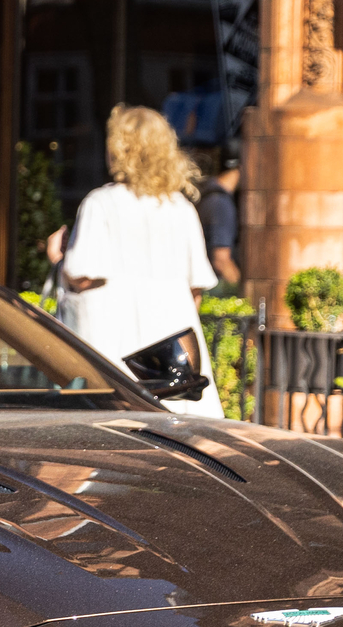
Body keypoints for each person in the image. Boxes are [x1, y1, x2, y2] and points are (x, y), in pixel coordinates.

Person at [57, 105, 221, 418]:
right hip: (173, 354)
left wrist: (58, 259)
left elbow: (81, 276)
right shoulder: (181, 209)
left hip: (118, 346)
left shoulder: (101, 203)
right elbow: (195, 293)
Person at [194, 145, 243, 287]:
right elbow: (221, 260)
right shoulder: (221, 203)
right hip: (214, 287)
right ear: (241, 167)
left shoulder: (206, 194)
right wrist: (240, 293)